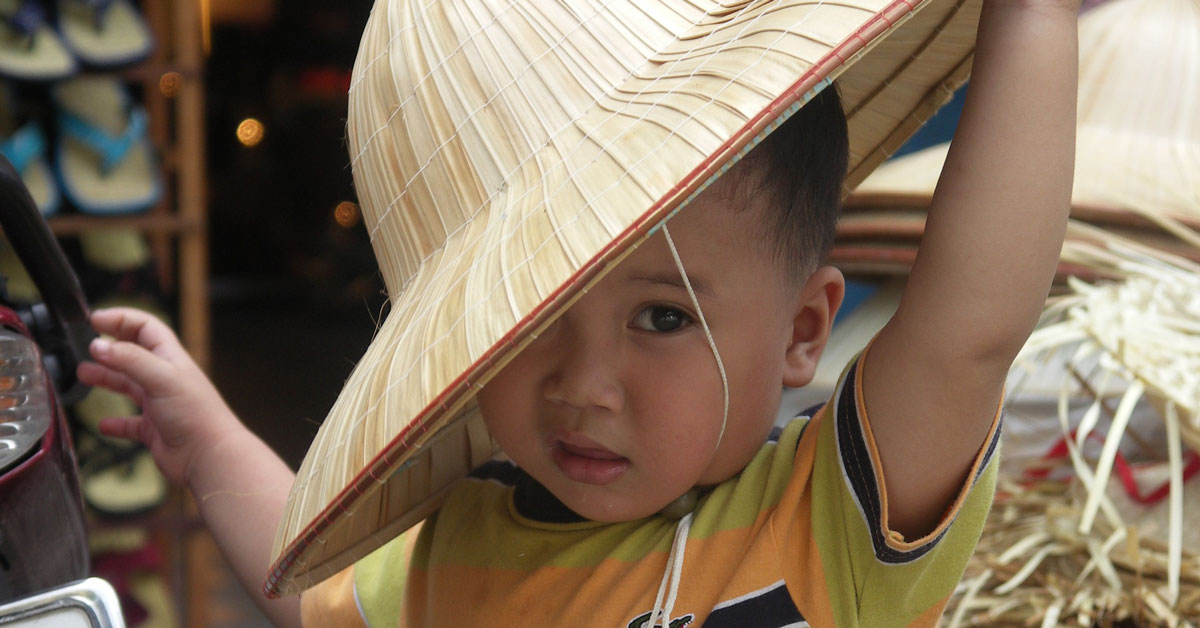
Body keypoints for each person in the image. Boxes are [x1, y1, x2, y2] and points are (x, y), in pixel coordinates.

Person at [78, 0, 1082, 625]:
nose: (580, 387)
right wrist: (208, 441)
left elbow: (969, 332)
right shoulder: (449, 552)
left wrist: (1035, 14)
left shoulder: (827, 523)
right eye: (528, 318)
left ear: (803, 333)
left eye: (661, 319)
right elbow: (310, 601)